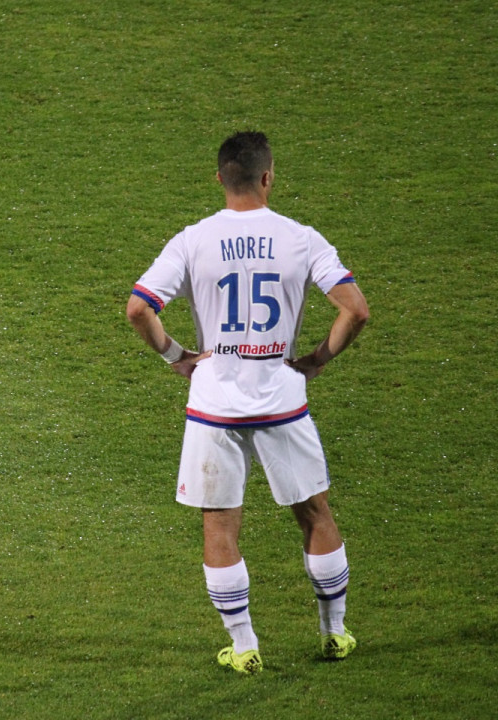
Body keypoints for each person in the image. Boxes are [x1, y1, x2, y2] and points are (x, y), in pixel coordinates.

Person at [126, 131, 369, 675]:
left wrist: (178, 357)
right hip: (283, 399)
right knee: (314, 514)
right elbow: (356, 310)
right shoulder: (301, 238)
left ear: (219, 179)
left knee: (220, 526)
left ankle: (244, 646)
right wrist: (315, 361)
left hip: (215, 406)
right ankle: (334, 634)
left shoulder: (193, 240)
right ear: (267, 177)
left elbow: (139, 309)